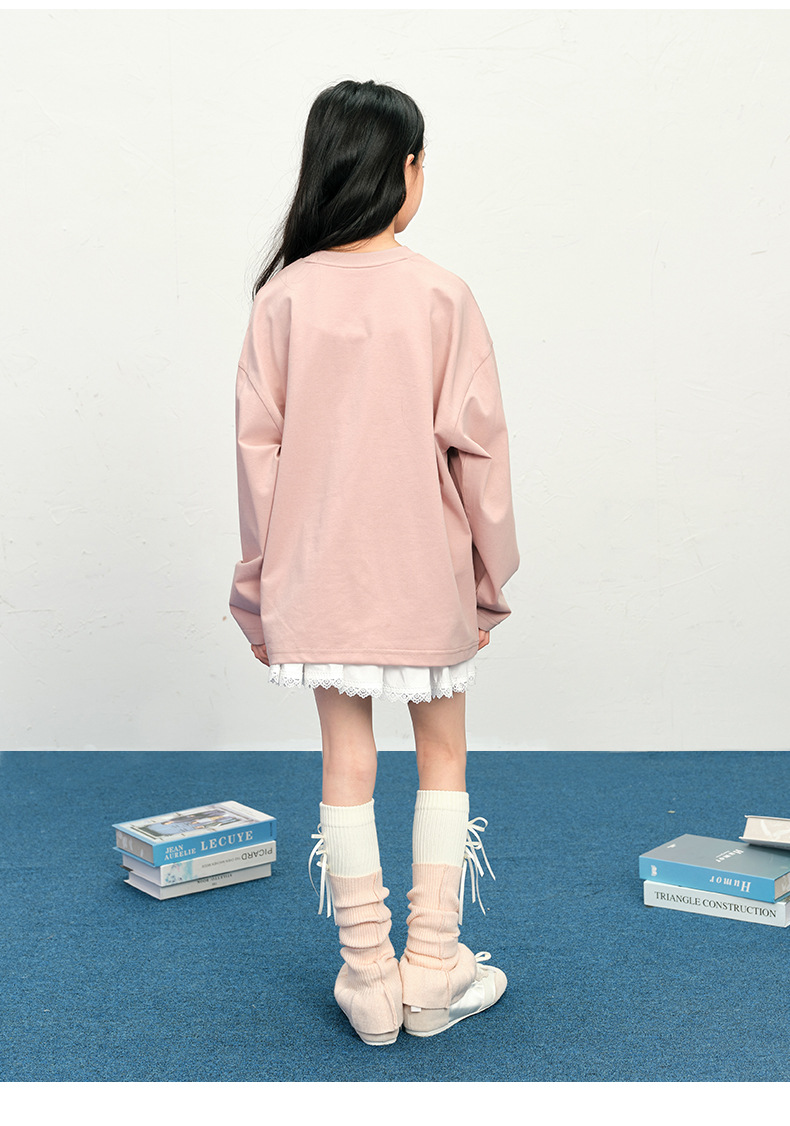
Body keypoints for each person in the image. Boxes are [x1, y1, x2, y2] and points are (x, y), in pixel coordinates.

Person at [229, 78, 520, 1045]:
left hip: (317, 581)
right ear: (405, 170)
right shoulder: (442, 295)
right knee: (444, 753)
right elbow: (480, 457)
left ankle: (368, 980)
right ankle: (433, 970)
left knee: (345, 760)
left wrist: (258, 594)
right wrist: (488, 585)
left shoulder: (281, 299)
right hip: (424, 575)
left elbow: (258, 463)